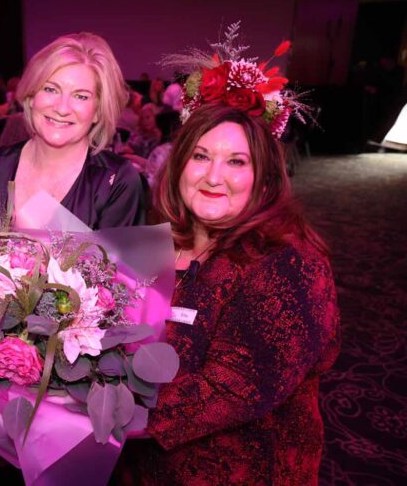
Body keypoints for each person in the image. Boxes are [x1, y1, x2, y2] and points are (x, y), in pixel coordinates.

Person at [115, 36, 340, 484]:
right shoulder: (160, 241)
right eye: (200, 156)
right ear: (179, 164)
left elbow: (230, 388)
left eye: (236, 161)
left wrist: (94, 408)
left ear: (263, 177)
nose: (213, 176)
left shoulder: (288, 264)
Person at [0, 32, 145, 229]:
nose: (62, 108)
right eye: (50, 89)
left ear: (97, 113)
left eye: (81, 96)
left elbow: (121, 260)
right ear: (31, 97)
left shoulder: (115, 182)